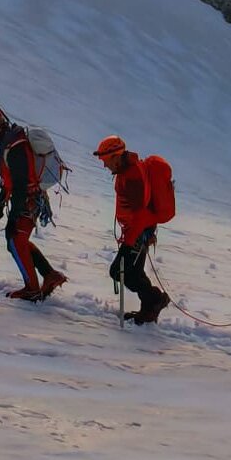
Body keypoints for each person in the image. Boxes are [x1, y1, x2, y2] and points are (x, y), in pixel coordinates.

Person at [0, 106, 66, 302]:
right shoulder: (10, 142)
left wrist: (14, 212)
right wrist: (0, 202)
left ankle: (32, 289)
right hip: (29, 199)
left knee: (15, 240)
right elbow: (10, 179)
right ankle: (50, 275)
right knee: (16, 241)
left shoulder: (15, 146)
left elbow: (20, 183)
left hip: (28, 200)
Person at [93, 135, 170, 325]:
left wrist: (130, 242)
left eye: (105, 160)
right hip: (139, 231)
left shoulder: (132, 175)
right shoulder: (128, 171)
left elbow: (140, 214)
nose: (104, 165)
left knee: (119, 272)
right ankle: (149, 308)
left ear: (115, 156)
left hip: (138, 232)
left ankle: (155, 299)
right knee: (134, 272)